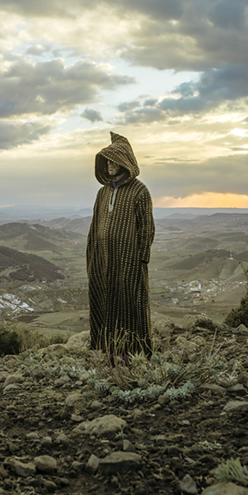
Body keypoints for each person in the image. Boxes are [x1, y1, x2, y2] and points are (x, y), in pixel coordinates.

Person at [86, 132, 155, 360]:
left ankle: (133, 354)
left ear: (125, 162)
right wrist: (92, 258)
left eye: (114, 160)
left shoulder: (139, 192)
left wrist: (141, 260)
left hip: (129, 263)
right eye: (107, 160)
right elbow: (95, 225)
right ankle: (109, 351)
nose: (110, 165)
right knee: (104, 303)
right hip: (103, 261)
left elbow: (146, 228)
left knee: (130, 307)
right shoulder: (103, 193)